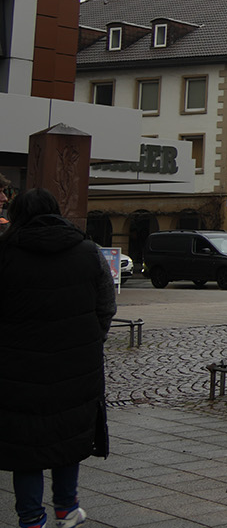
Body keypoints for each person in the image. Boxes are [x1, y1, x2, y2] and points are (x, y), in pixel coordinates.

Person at [0, 188, 116, 528]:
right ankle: (67, 509)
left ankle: (31, 519)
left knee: (25, 447)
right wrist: (90, 341)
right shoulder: (87, 251)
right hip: (76, 364)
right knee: (68, 435)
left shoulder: (5, 253)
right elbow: (106, 306)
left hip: (17, 367)